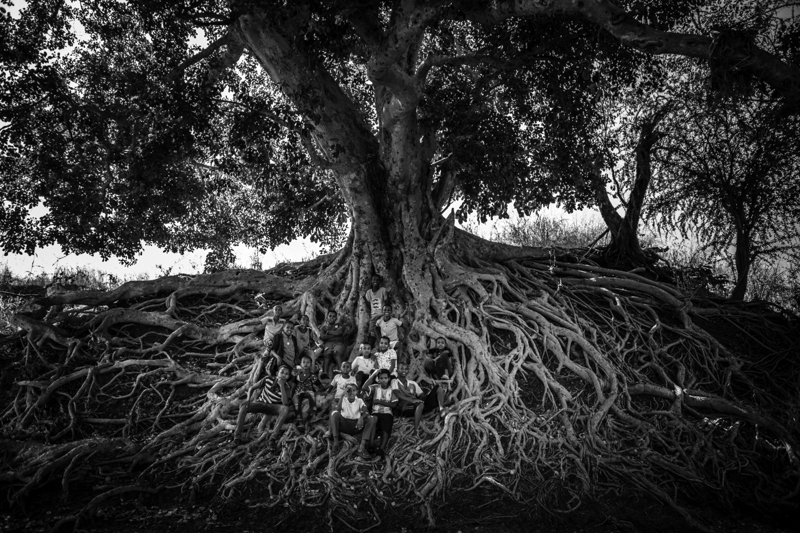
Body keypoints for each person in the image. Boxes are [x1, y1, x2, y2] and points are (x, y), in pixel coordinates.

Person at [234, 359, 294, 450]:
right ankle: (237, 436)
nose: (284, 375)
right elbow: (252, 388)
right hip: (261, 403)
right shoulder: (268, 379)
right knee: (243, 406)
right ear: (277, 373)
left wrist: (281, 386)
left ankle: (273, 438)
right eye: (282, 372)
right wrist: (248, 399)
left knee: (285, 409)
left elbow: (285, 403)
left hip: (273, 408)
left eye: (286, 374)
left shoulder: (287, 387)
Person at [393, 360, 444, 432]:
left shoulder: (413, 383)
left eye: (406, 369)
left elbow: (422, 396)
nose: (404, 370)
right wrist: (412, 400)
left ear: (408, 371)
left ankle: (441, 409)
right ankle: (415, 430)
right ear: (397, 370)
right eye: (401, 368)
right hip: (405, 408)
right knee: (420, 404)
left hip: (418, 405)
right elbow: (397, 393)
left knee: (438, 388)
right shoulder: (394, 381)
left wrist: (430, 393)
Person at [329, 383, 375, 459]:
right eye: (349, 390)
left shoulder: (359, 400)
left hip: (356, 426)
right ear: (346, 391)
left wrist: (361, 418)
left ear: (357, 392)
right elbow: (338, 410)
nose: (351, 392)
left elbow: (366, 412)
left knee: (371, 418)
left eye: (354, 390)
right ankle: (335, 443)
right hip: (344, 425)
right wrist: (342, 395)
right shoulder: (343, 399)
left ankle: (362, 447)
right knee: (334, 414)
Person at [363, 368, 397, 456]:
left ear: (389, 379)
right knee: (373, 421)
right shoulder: (375, 387)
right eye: (381, 378)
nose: (383, 380)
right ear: (378, 379)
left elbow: (394, 405)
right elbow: (364, 387)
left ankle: (381, 448)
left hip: (387, 413)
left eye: (385, 378)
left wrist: (379, 402)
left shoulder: (392, 390)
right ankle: (370, 445)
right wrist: (374, 374)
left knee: (386, 428)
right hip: (375, 413)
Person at [292, 353, 322, 433]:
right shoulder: (297, 375)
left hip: (308, 391)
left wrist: (319, 392)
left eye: (308, 362)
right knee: (296, 401)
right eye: (304, 362)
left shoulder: (312, 376)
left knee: (311, 395)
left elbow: (320, 385)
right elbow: (294, 386)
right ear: (300, 364)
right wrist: (290, 396)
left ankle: (314, 414)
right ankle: (300, 422)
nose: (305, 364)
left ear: (311, 364)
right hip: (298, 392)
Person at [318, 310, 349, 377]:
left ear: (336, 318)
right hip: (328, 343)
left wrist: (328, 332)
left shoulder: (339, 325)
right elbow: (323, 337)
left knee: (336, 353)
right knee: (327, 355)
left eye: (334, 316)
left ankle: (342, 371)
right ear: (327, 317)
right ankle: (325, 372)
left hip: (339, 343)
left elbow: (339, 332)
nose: (332, 317)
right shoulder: (324, 327)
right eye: (330, 316)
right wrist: (334, 334)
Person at [364, 275, 388, 345]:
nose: (375, 281)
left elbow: (387, 302)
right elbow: (369, 305)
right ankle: (371, 347)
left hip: (382, 314)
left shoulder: (383, 290)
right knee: (372, 332)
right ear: (371, 281)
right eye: (374, 279)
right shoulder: (368, 292)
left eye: (377, 280)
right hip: (373, 316)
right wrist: (363, 297)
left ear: (380, 282)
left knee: (383, 331)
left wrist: (388, 294)